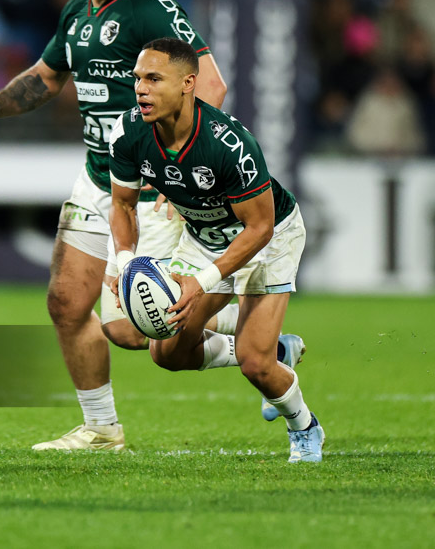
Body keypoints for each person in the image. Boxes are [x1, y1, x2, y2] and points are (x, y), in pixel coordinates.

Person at [0, 0, 238, 451]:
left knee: (133, 330)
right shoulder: (77, 14)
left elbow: (212, 87)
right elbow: (44, 78)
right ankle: (102, 429)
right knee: (65, 303)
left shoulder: (151, 10)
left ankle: (245, 336)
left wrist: (174, 171)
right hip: (97, 179)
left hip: (152, 186)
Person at [108, 38, 324, 463]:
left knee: (254, 364)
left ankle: (304, 427)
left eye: (154, 79)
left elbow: (259, 227)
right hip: (204, 237)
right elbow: (122, 204)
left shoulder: (228, 144)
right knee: (166, 353)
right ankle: (280, 349)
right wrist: (124, 262)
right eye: (137, 79)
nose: (141, 89)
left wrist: (202, 282)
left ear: (189, 83)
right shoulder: (129, 130)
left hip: (270, 238)